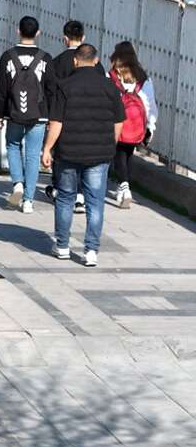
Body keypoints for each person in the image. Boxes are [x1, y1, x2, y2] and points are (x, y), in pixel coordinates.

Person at [41, 44, 124, 268]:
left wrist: (48, 148)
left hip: (68, 152)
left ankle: (62, 246)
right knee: (95, 202)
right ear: (96, 61)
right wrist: (110, 144)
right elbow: (118, 121)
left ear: (75, 62)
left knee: (66, 198)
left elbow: (56, 122)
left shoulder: (64, 86)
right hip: (100, 153)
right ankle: (91, 251)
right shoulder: (110, 87)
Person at [0, 16, 53, 214]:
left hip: (14, 112)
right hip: (40, 115)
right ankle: (28, 200)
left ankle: (17, 183)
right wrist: (51, 117)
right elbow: (51, 89)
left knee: (12, 145)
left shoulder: (8, 56)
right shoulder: (45, 58)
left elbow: (1, 89)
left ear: (18, 31)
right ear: (38, 33)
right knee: (32, 155)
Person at [43, 19, 93, 212]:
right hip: (88, 116)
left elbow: (50, 90)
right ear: (84, 37)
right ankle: (80, 194)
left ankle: (60, 188)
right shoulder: (93, 63)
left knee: (61, 154)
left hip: (62, 115)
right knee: (83, 157)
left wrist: (49, 116)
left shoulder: (57, 62)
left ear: (65, 39)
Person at [107, 42, 157, 209]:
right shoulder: (143, 78)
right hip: (136, 125)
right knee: (128, 154)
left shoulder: (112, 75)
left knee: (118, 154)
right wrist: (151, 126)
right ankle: (124, 187)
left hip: (117, 121)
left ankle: (124, 186)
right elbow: (150, 104)